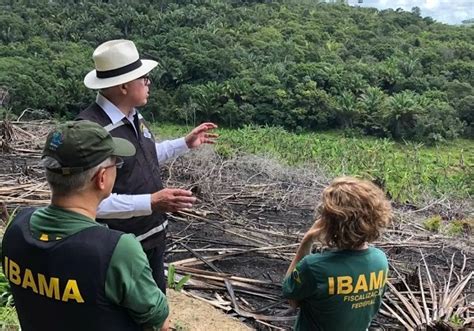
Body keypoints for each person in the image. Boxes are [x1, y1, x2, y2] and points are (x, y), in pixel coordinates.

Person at [76, 39, 218, 292]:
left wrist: (184, 143)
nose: (148, 83)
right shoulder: (91, 131)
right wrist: (151, 201)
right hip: (119, 247)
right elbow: (90, 202)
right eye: (143, 78)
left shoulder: (133, 116)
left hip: (151, 236)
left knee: (155, 303)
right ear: (123, 86)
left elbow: (145, 157)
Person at [1, 121, 169, 331]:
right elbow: (159, 323)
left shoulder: (17, 227)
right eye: (116, 163)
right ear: (101, 178)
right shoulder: (116, 251)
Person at [282, 177, 392, 331]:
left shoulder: (314, 266)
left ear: (330, 222)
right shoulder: (380, 260)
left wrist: (307, 241)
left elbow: (291, 297)